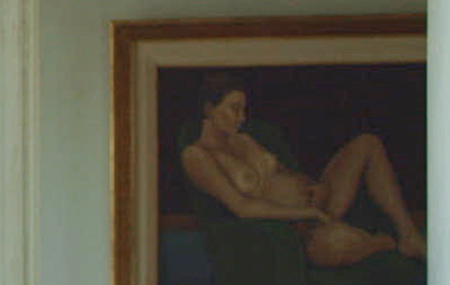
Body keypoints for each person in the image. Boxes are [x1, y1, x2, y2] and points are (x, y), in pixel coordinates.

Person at [178, 72, 427, 270]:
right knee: (335, 245)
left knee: (367, 143)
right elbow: (242, 207)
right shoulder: (196, 156)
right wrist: (307, 212)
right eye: (234, 109)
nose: (242, 117)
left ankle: (408, 234)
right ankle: (385, 243)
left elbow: (284, 173)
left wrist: (314, 187)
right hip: (300, 227)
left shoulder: (244, 140)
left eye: (244, 109)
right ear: (209, 109)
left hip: (319, 204)